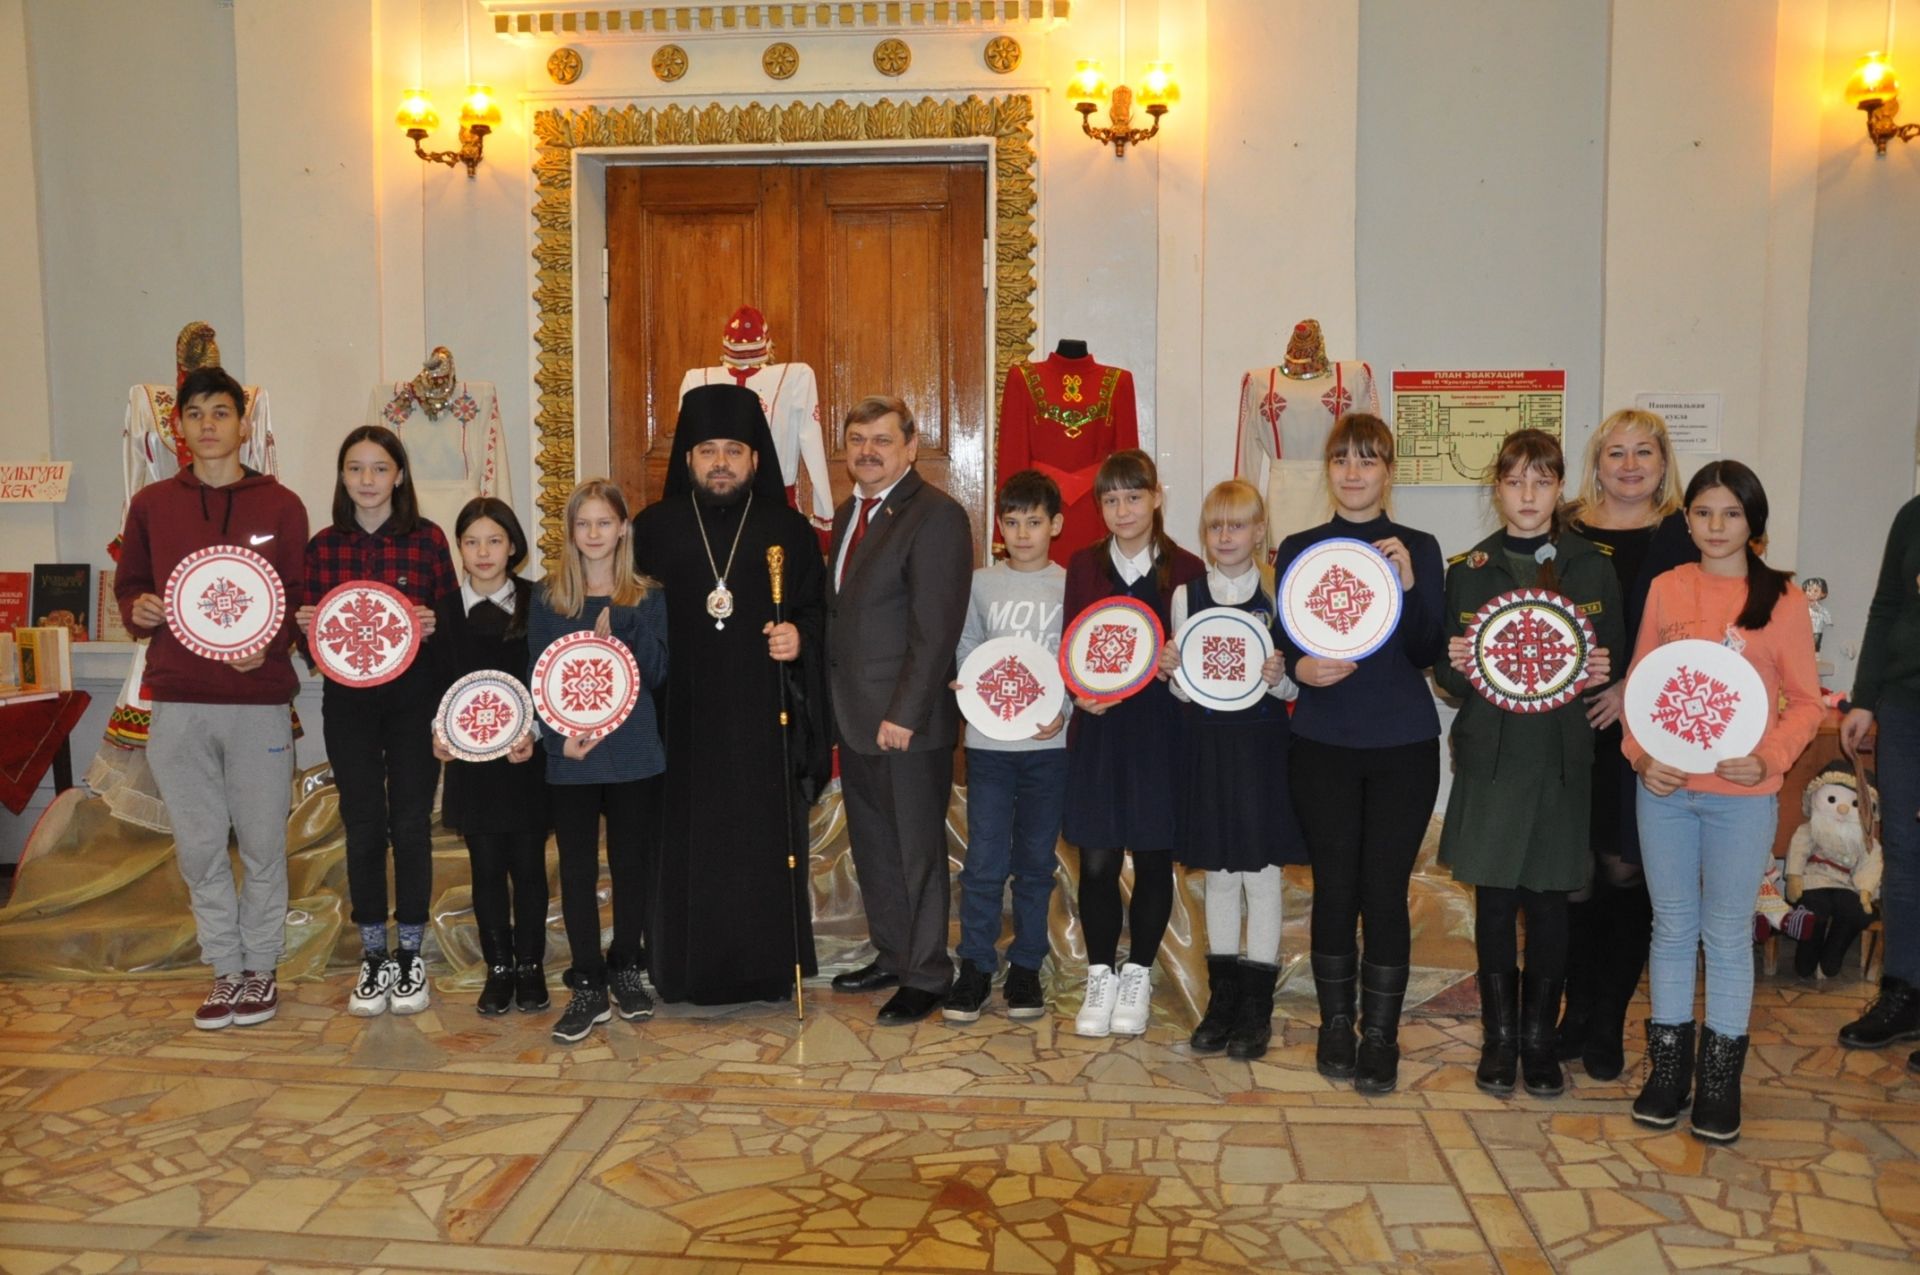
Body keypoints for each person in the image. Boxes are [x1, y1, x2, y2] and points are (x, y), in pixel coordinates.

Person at [1623, 460, 1821, 1143]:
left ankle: (1719, 1079)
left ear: (1753, 524)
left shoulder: (1784, 598)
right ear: (1687, 520)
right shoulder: (1666, 588)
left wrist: (1769, 757)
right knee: (1672, 927)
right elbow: (1639, 689)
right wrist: (1640, 756)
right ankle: (1668, 1070)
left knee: (1727, 934)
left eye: (1730, 513)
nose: (1716, 525)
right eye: (1704, 512)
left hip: (1743, 796)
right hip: (1668, 794)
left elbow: (1806, 700)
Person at [115, 366, 308, 1029]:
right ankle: (225, 971)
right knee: (199, 845)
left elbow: (293, 596)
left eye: (220, 412)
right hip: (179, 700)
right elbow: (132, 590)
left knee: (261, 844)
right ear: (181, 428)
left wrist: (273, 643)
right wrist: (138, 607)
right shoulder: (152, 505)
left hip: (257, 704)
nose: (207, 424)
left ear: (243, 424)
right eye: (194, 413)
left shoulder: (281, 505)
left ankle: (261, 969)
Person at [1435, 431, 1622, 1098]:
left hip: (1560, 759)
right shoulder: (1470, 567)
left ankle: (1540, 1042)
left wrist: (1605, 671)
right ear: (1498, 490)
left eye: (1541, 482)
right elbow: (1450, 678)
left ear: (1559, 488)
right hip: (1492, 758)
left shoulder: (1591, 566)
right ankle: (1500, 1039)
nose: (1527, 495)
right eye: (1515, 482)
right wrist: (1453, 667)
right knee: (1494, 901)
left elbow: (1613, 660)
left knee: (1549, 903)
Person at [631, 384, 830, 1006]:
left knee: (761, 843)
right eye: (707, 450)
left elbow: (820, 612)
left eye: (734, 451)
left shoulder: (789, 530)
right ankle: (681, 970)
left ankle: (767, 971)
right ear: (687, 459)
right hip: (677, 722)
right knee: (682, 843)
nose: (720, 462)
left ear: (756, 459)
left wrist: (800, 636)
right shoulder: (651, 529)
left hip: (759, 718)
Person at [1273, 413, 1444, 1095]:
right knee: (1334, 887)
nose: (1353, 472)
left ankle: (1382, 1033)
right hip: (1322, 742)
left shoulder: (1422, 547)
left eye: (1368, 460)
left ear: (1388, 471)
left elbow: (1428, 650)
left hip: (1403, 742)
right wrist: (1300, 668)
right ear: (1329, 469)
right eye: (1342, 459)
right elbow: (1285, 643)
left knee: (1384, 892)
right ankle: (1335, 1024)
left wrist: (1408, 588)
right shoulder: (1298, 547)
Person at [297, 426, 457, 1018]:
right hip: (348, 705)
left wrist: (435, 623)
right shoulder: (321, 546)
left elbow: (450, 626)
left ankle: (410, 952)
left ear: (399, 476)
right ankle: (373, 956)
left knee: (411, 824)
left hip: (415, 700)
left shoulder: (429, 541)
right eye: (356, 469)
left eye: (380, 468)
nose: (368, 480)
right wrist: (306, 624)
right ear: (341, 477)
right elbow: (310, 644)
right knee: (363, 824)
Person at [825, 395, 973, 1025]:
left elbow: (934, 630)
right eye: (858, 440)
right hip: (854, 714)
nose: (867, 451)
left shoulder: (936, 517)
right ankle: (894, 954)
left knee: (915, 849)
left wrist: (905, 714)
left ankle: (929, 972)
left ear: (911, 447)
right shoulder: (846, 513)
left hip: (905, 721)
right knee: (875, 846)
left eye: (882, 440)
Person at [1557, 407, 1691, 1078]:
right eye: (1617, 452)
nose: (1630, 464)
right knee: (1572, 874)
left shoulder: (1685, 535)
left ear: (1665, 463)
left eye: (1644, 452)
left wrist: (1632, 694)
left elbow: (1692, 637)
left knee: (1625, 869)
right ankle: (1573, 1013)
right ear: (1597, 461)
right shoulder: (1563, 527)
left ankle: (1607, 1018)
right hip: (1565, 728)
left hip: (1643, 731)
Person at [1158, 478, 1303, 1059]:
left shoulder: (1278, 596)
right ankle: (1222, 1004)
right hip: (1209, 744)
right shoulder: (1186, 595)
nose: (1225, 536)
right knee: (1218, 872)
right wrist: (1171, 672)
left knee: (1261, 875)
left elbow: (1297, 684)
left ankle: (1256, 1008)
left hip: (1264, 745)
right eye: (1216, 525)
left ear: (1259, 531)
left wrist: (1281, 678)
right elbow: (1185, 692)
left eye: (1237, 524)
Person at [1064, 450, 1206, 1039]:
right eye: (1111, 499)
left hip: (1160, 729)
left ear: (1156, 498)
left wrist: (1181, 667)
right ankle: (1100, 973)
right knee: (1096, 859)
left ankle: (1139, 975)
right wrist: (1079, 693)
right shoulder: (1081, 565)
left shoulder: (1188, 568)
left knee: (1152, 857)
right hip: (1099, 728)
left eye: (1133, 496)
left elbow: (1201, 662)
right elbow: (1073, 643)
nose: (1123, 510)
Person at [531, 480, 669, 1043]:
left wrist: (627, 621)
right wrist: (555, 741)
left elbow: (660, 671)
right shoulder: (548, 598)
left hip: (635, 751)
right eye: (583, 524)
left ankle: (627, 967)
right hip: (573, 756)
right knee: (579, 871)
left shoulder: (650, 596)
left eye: (604, 523)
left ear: (623, 529)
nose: (594, 534)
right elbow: (536, 678)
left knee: (633, 865)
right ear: (570, 533)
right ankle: (588, 981)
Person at [946, 469, 1070, 1024]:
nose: (1022, 533)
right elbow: (969, 645)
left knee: (1036, 863)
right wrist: (967, 682)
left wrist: (1062, 708)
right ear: (999, 527)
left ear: (1056, 525)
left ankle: (1025, 966)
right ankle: (974, 964)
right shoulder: (981, 583)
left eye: (1035, 522)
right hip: (991, 744)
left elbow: (1075, 660)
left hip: (1049, 747)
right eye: (1012, 522)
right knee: (985, 860)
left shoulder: (1071, 585)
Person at [430, 497, 549, 1015]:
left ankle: (531, 966)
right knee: (485, 867)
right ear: (459, 548)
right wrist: (436, 735)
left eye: (494, 540)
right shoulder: (441, 612)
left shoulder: (540, 601)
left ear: (513, 547)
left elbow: (549, 678)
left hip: (526, 760)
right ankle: (498, 968)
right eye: (472, 541)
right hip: (470, 765)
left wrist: (536, 733)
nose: (483, 552)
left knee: (528, 866)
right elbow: (430, 687)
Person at [1836, 495, 1920, 1065]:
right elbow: (1887, 604)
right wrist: (1865, 698)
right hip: (1907, 706)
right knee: (1905, 853)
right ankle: (1904, 993)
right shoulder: (1913, 515)